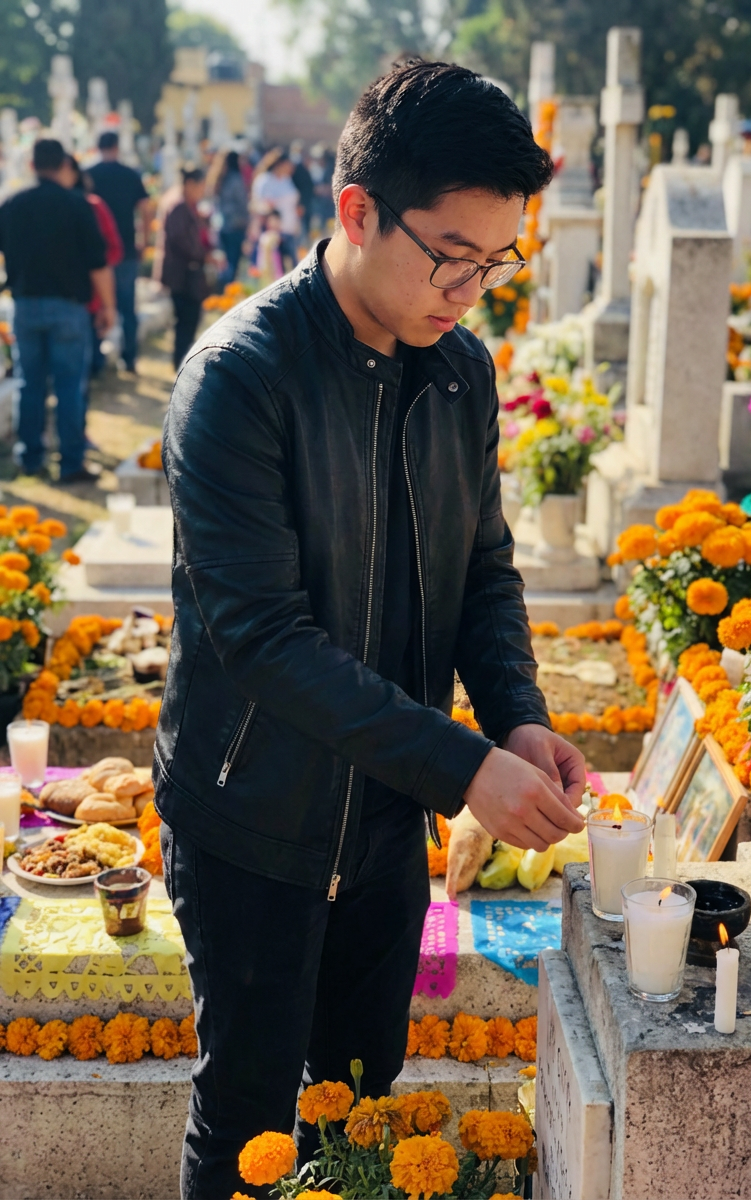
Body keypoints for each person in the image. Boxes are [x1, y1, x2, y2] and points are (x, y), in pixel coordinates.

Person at [156, 60, 584, 1199]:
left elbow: (482, 569)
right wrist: (463, 768)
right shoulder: (239, 378)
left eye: (497, 262)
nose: (471, 290)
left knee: (360, 1103)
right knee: (247, 1118)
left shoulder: (459, 372)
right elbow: (264, 639)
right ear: (357, 212)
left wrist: (516, 717)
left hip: (387, 822)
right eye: (451, 255)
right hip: (253, 819)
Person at [0, 139, 114, 482]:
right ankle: (71, 462)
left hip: (25, 304)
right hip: (68, 306)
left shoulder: (12, 204)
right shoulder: (77, 204)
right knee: (69, 386)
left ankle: (30, 456)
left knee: (29, 383)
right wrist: (108, 306)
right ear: (64, 164)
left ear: (32, 165)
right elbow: (98, 263)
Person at [59, 154, 124, 387]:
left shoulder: (92, 206)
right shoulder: (48, 207)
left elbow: (113, 249)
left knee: (85, 365)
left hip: (90, 296)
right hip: (62, 296)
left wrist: (93, 267)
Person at [89, 130, 150, 374]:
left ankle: (96, 359)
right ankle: (129, 357)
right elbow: (145, 209)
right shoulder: (130, 174)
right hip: (125, 249)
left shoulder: (89, 174)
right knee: (127, 307)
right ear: (117, 146)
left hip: (96, 253)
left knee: (95, 305)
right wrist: (144, 239)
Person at [157, 167, 210, 370]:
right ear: (189, 184)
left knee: (189, 320)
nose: (202, 191)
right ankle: (181, 362)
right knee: (186, 321)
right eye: (200, 186)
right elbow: (180, 240)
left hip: (188, 273)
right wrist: (203, 255)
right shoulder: (178, 206)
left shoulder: (188, 205)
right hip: (181, 274)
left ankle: (183, 360)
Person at [251, 151, 300, 270]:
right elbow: (258, 205)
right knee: (276, 266)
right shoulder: (264, 181)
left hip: (289, 228)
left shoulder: (287, 180)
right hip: (272, 231)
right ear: (279, 164)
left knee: (293, 266)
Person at [210, 150, 249, 284]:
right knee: (233, 262)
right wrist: (247, 221)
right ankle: (228, 289)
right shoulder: (235, 178)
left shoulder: (219, 178)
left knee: (223, 261)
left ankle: (221, 287)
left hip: (221, 224)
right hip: (235, 225)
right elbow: (242, 203)